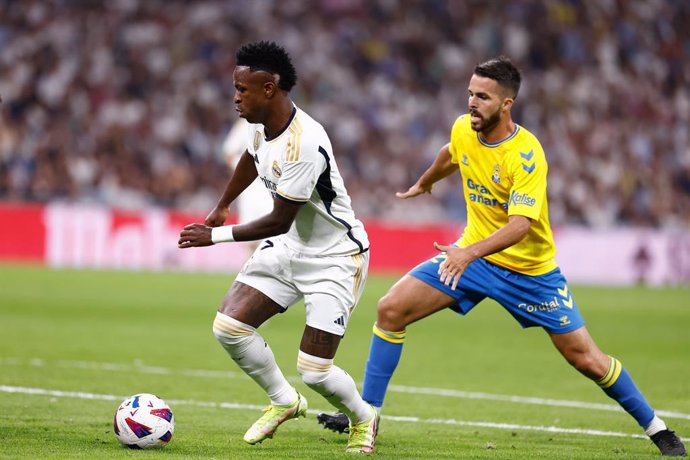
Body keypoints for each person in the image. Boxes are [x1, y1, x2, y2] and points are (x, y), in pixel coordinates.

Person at [316, 56, 686, 457]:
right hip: (473, 260)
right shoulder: (464, 128)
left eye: (484, 97)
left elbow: (520, 226)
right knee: (390, 310)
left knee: (587, 360)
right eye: (471, 94)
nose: (472, 103)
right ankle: (368, 414)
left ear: (507, 104)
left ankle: (657, 428)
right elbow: (449, 153)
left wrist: (466, 254)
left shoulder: (526, 154)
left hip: (529, 272)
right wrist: (425, 183)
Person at [178, 41, 378, 454]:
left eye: (242, 89)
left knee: (315, 371)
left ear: (269, 88)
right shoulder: (259, 122)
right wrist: (221, 206)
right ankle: (283, 400)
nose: (235, 97)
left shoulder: (305, 143)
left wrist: (212, 236)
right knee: (230, 328)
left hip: (335, 258)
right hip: (290, 247)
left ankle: (363, 418)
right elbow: (251, 158)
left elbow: (277, 219)